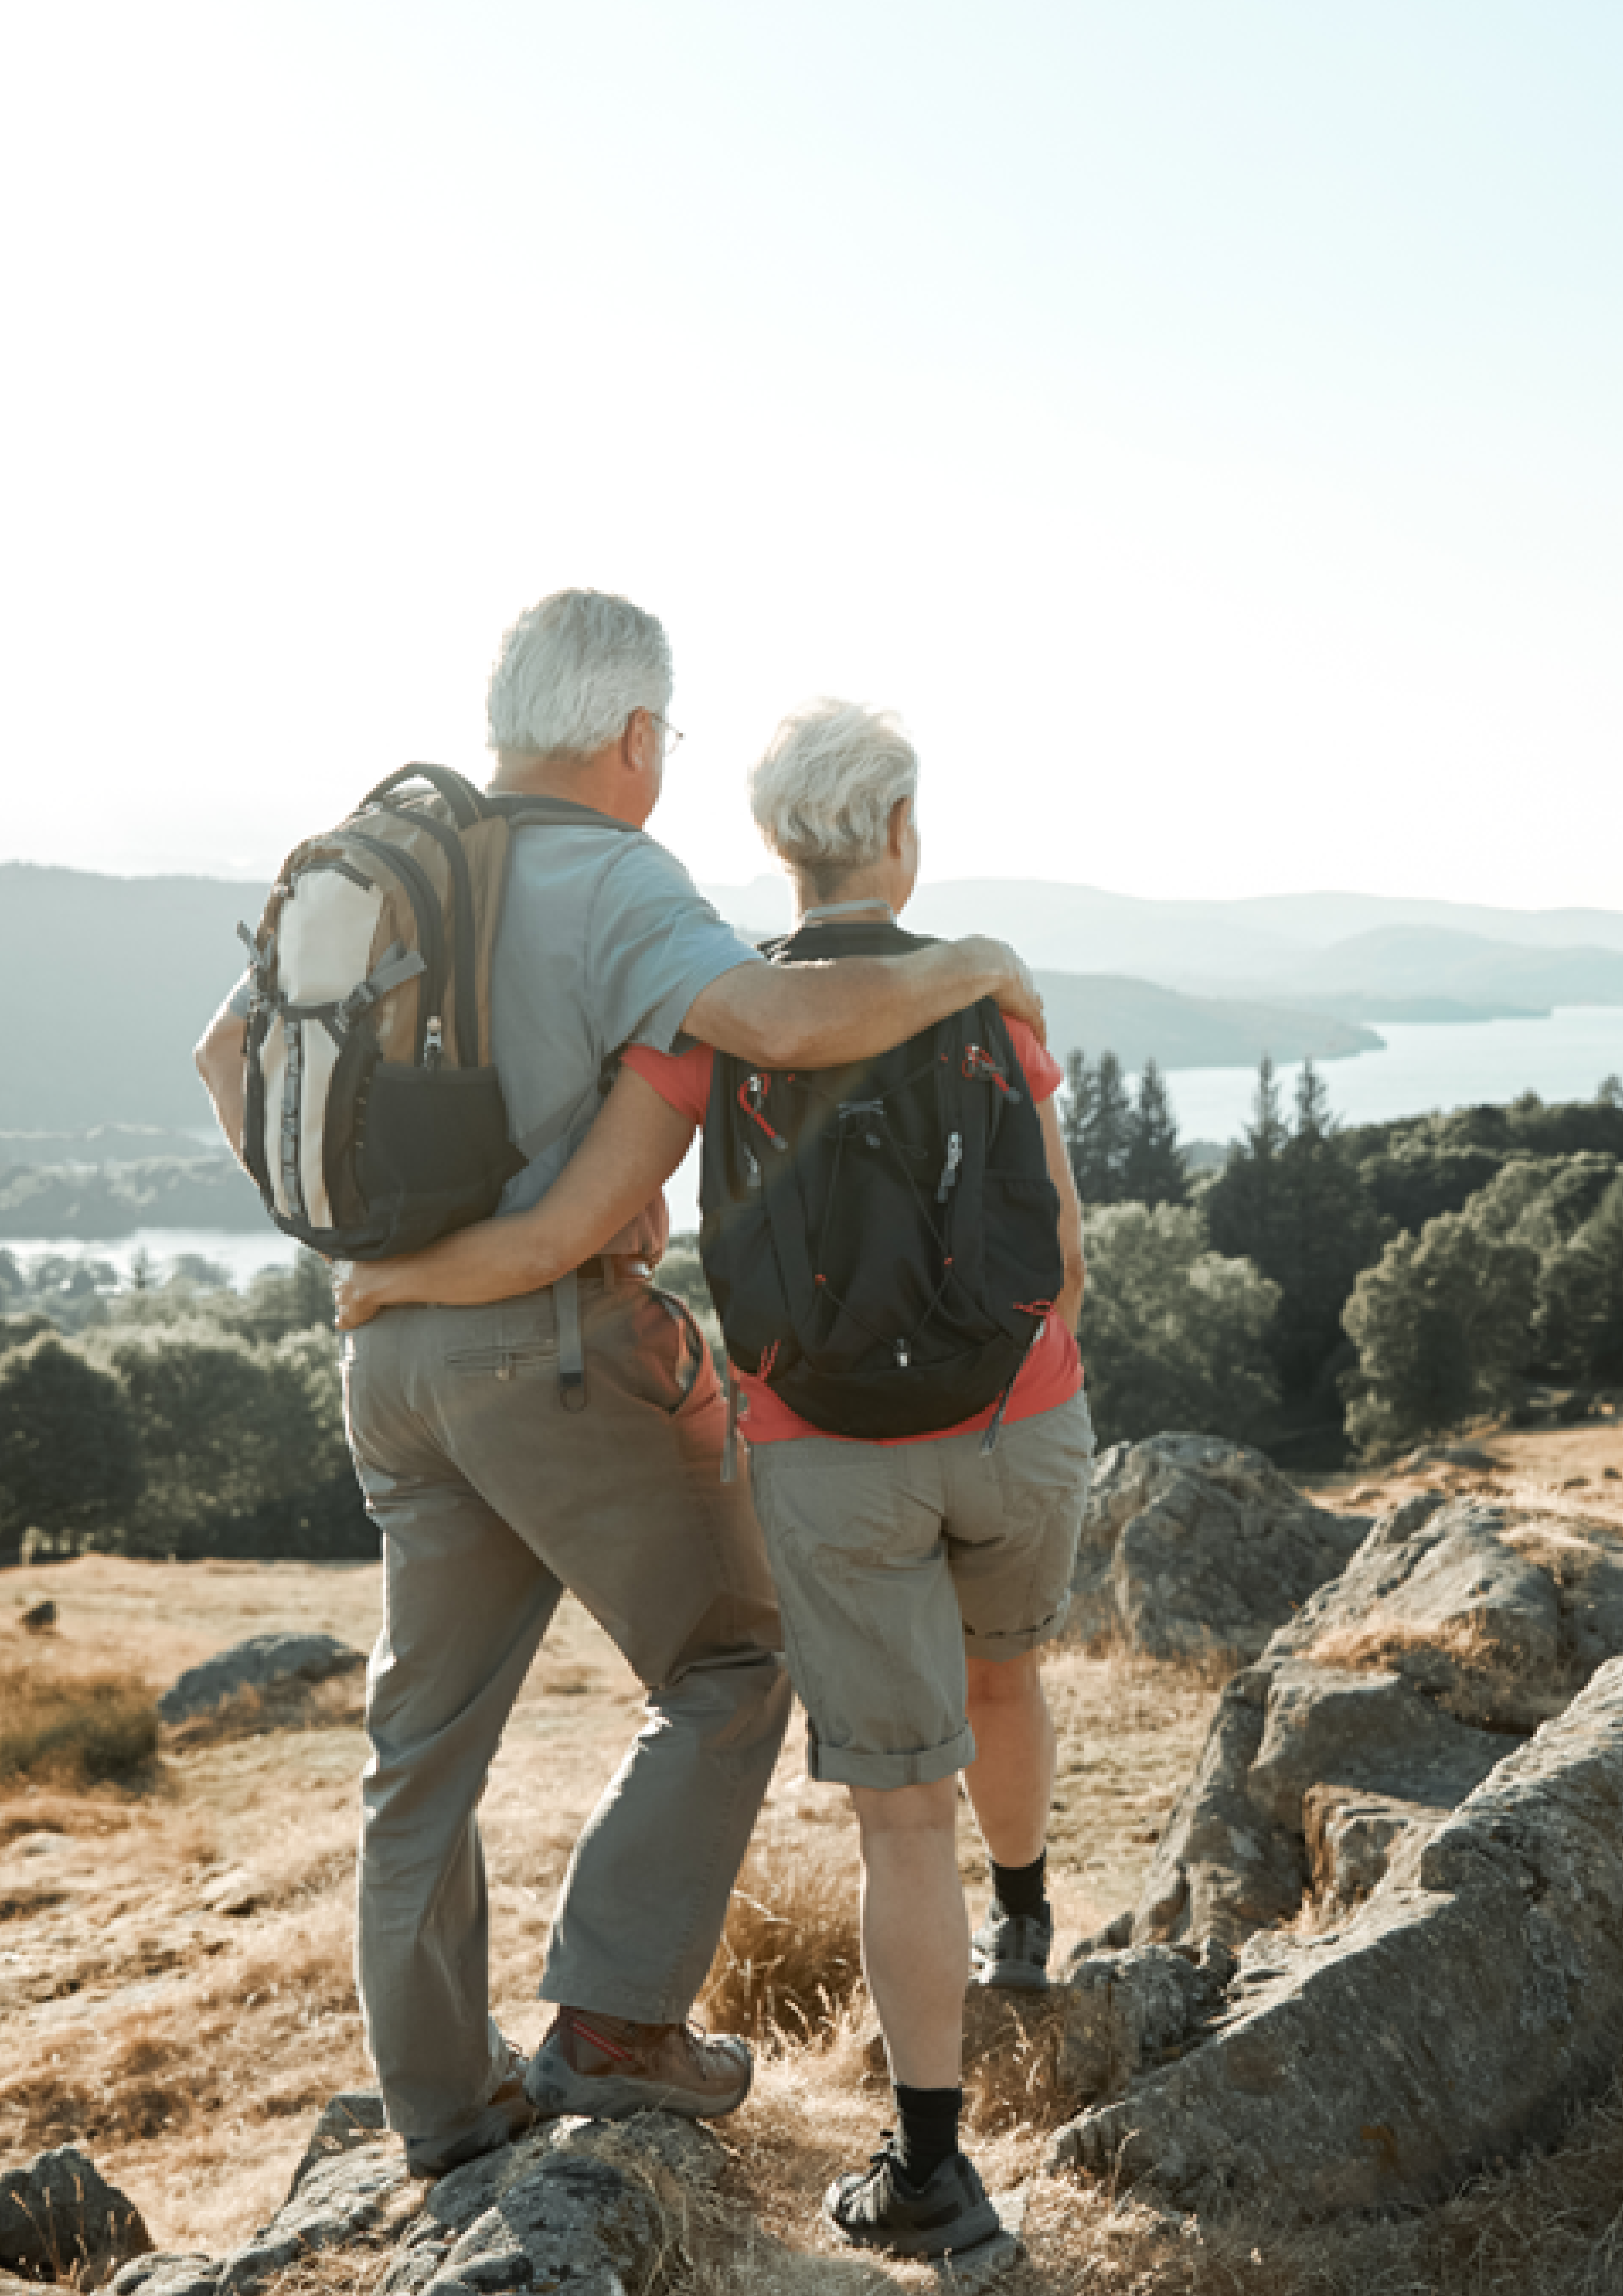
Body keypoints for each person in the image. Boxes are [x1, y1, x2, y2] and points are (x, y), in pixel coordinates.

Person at [191, 594, 1046, 2181]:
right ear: (638, 737)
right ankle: (611, 2021)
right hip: (555, 1344)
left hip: (384, 1353)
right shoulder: (614, 874)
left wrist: (365, 1246)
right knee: (737, 1649)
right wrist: (975, 967)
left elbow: (224, 1063)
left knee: (421, 1745)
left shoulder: (386, 862)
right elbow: (782, 1017)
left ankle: (443, 2115)